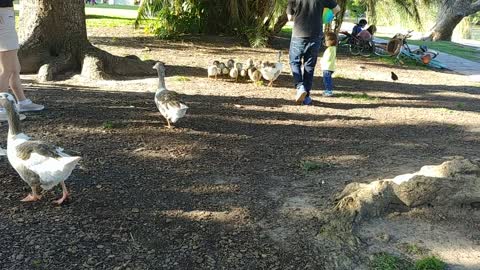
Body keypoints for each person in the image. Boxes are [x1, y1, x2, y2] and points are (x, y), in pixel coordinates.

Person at [287, 0, 341, 105]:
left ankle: (300, 86)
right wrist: (325, 17)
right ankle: (306, 97)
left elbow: (290, 18)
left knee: (294, 62)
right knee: (309, 66)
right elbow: (337, 9)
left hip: (299, 34)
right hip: (315, 34)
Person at [0, 0, 44, 122]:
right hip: (2, 16)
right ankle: (1, 108)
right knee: (6, 69)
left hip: (5, 15)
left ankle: (22, 101)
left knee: (14, 68)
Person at [320, 32, 337, 97]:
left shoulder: (330, 49)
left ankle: (329, 91)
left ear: (332, 41)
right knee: (327, 79)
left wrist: (322, 60)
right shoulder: (333, 48)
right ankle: (327, 90)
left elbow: (327, 58)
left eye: (327, 40)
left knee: (327, 80)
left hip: (327, 67)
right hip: (329, 67)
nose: (325, 42)